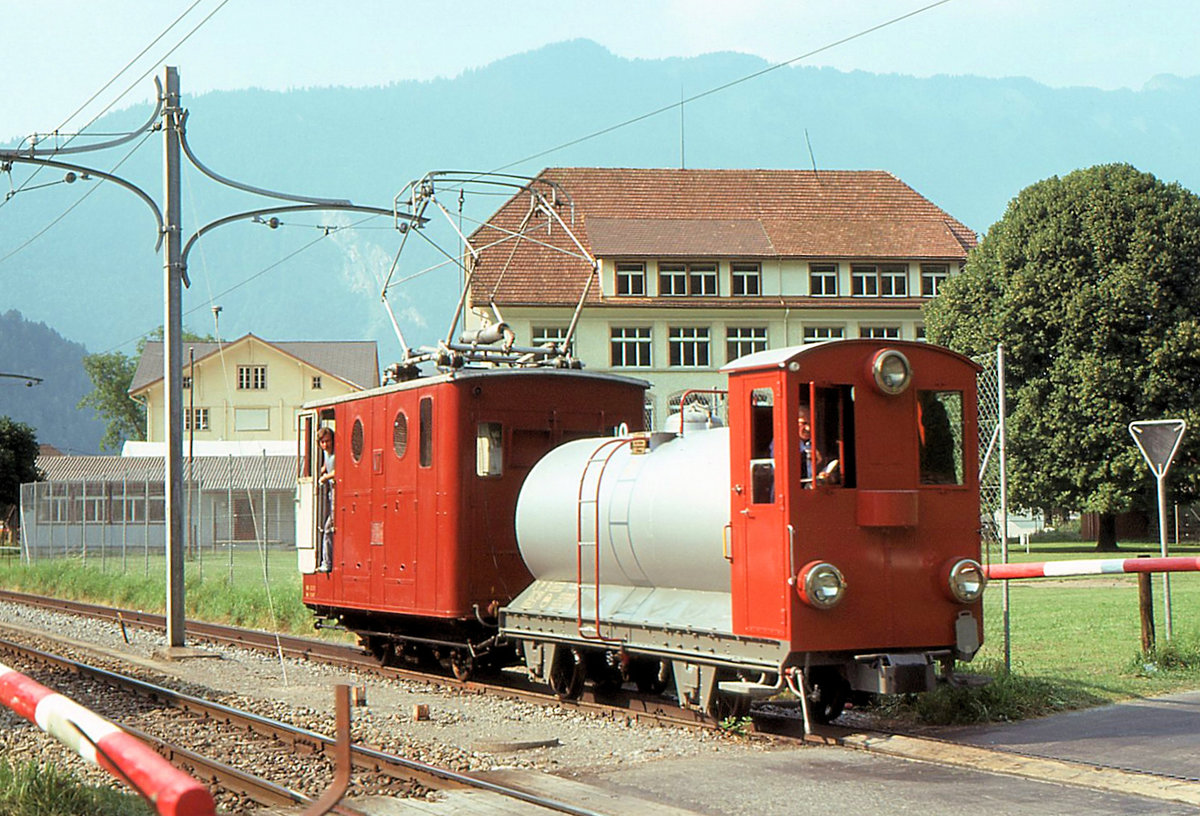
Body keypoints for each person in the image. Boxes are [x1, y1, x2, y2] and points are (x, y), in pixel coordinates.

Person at [316, 426, 335, 572]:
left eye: (327, 441)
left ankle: (327, 563)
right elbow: (326, 466)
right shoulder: (325, 454)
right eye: (322, 442)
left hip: (337, 494)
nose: (325, 445)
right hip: (331, 494)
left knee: (328, 528)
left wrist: (325, 477)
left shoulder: (336, 453)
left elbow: (340, 469)